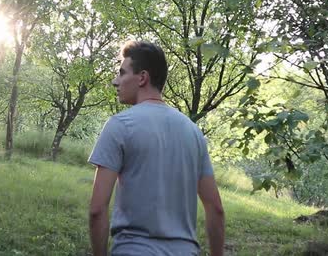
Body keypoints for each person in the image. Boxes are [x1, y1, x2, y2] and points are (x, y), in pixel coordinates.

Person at [88, 40, 225, 256]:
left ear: (142, 78)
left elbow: (97, 210)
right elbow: (215, 208)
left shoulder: (119, 125)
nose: (116, 81)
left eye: (122, 73)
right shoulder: (193, 132)